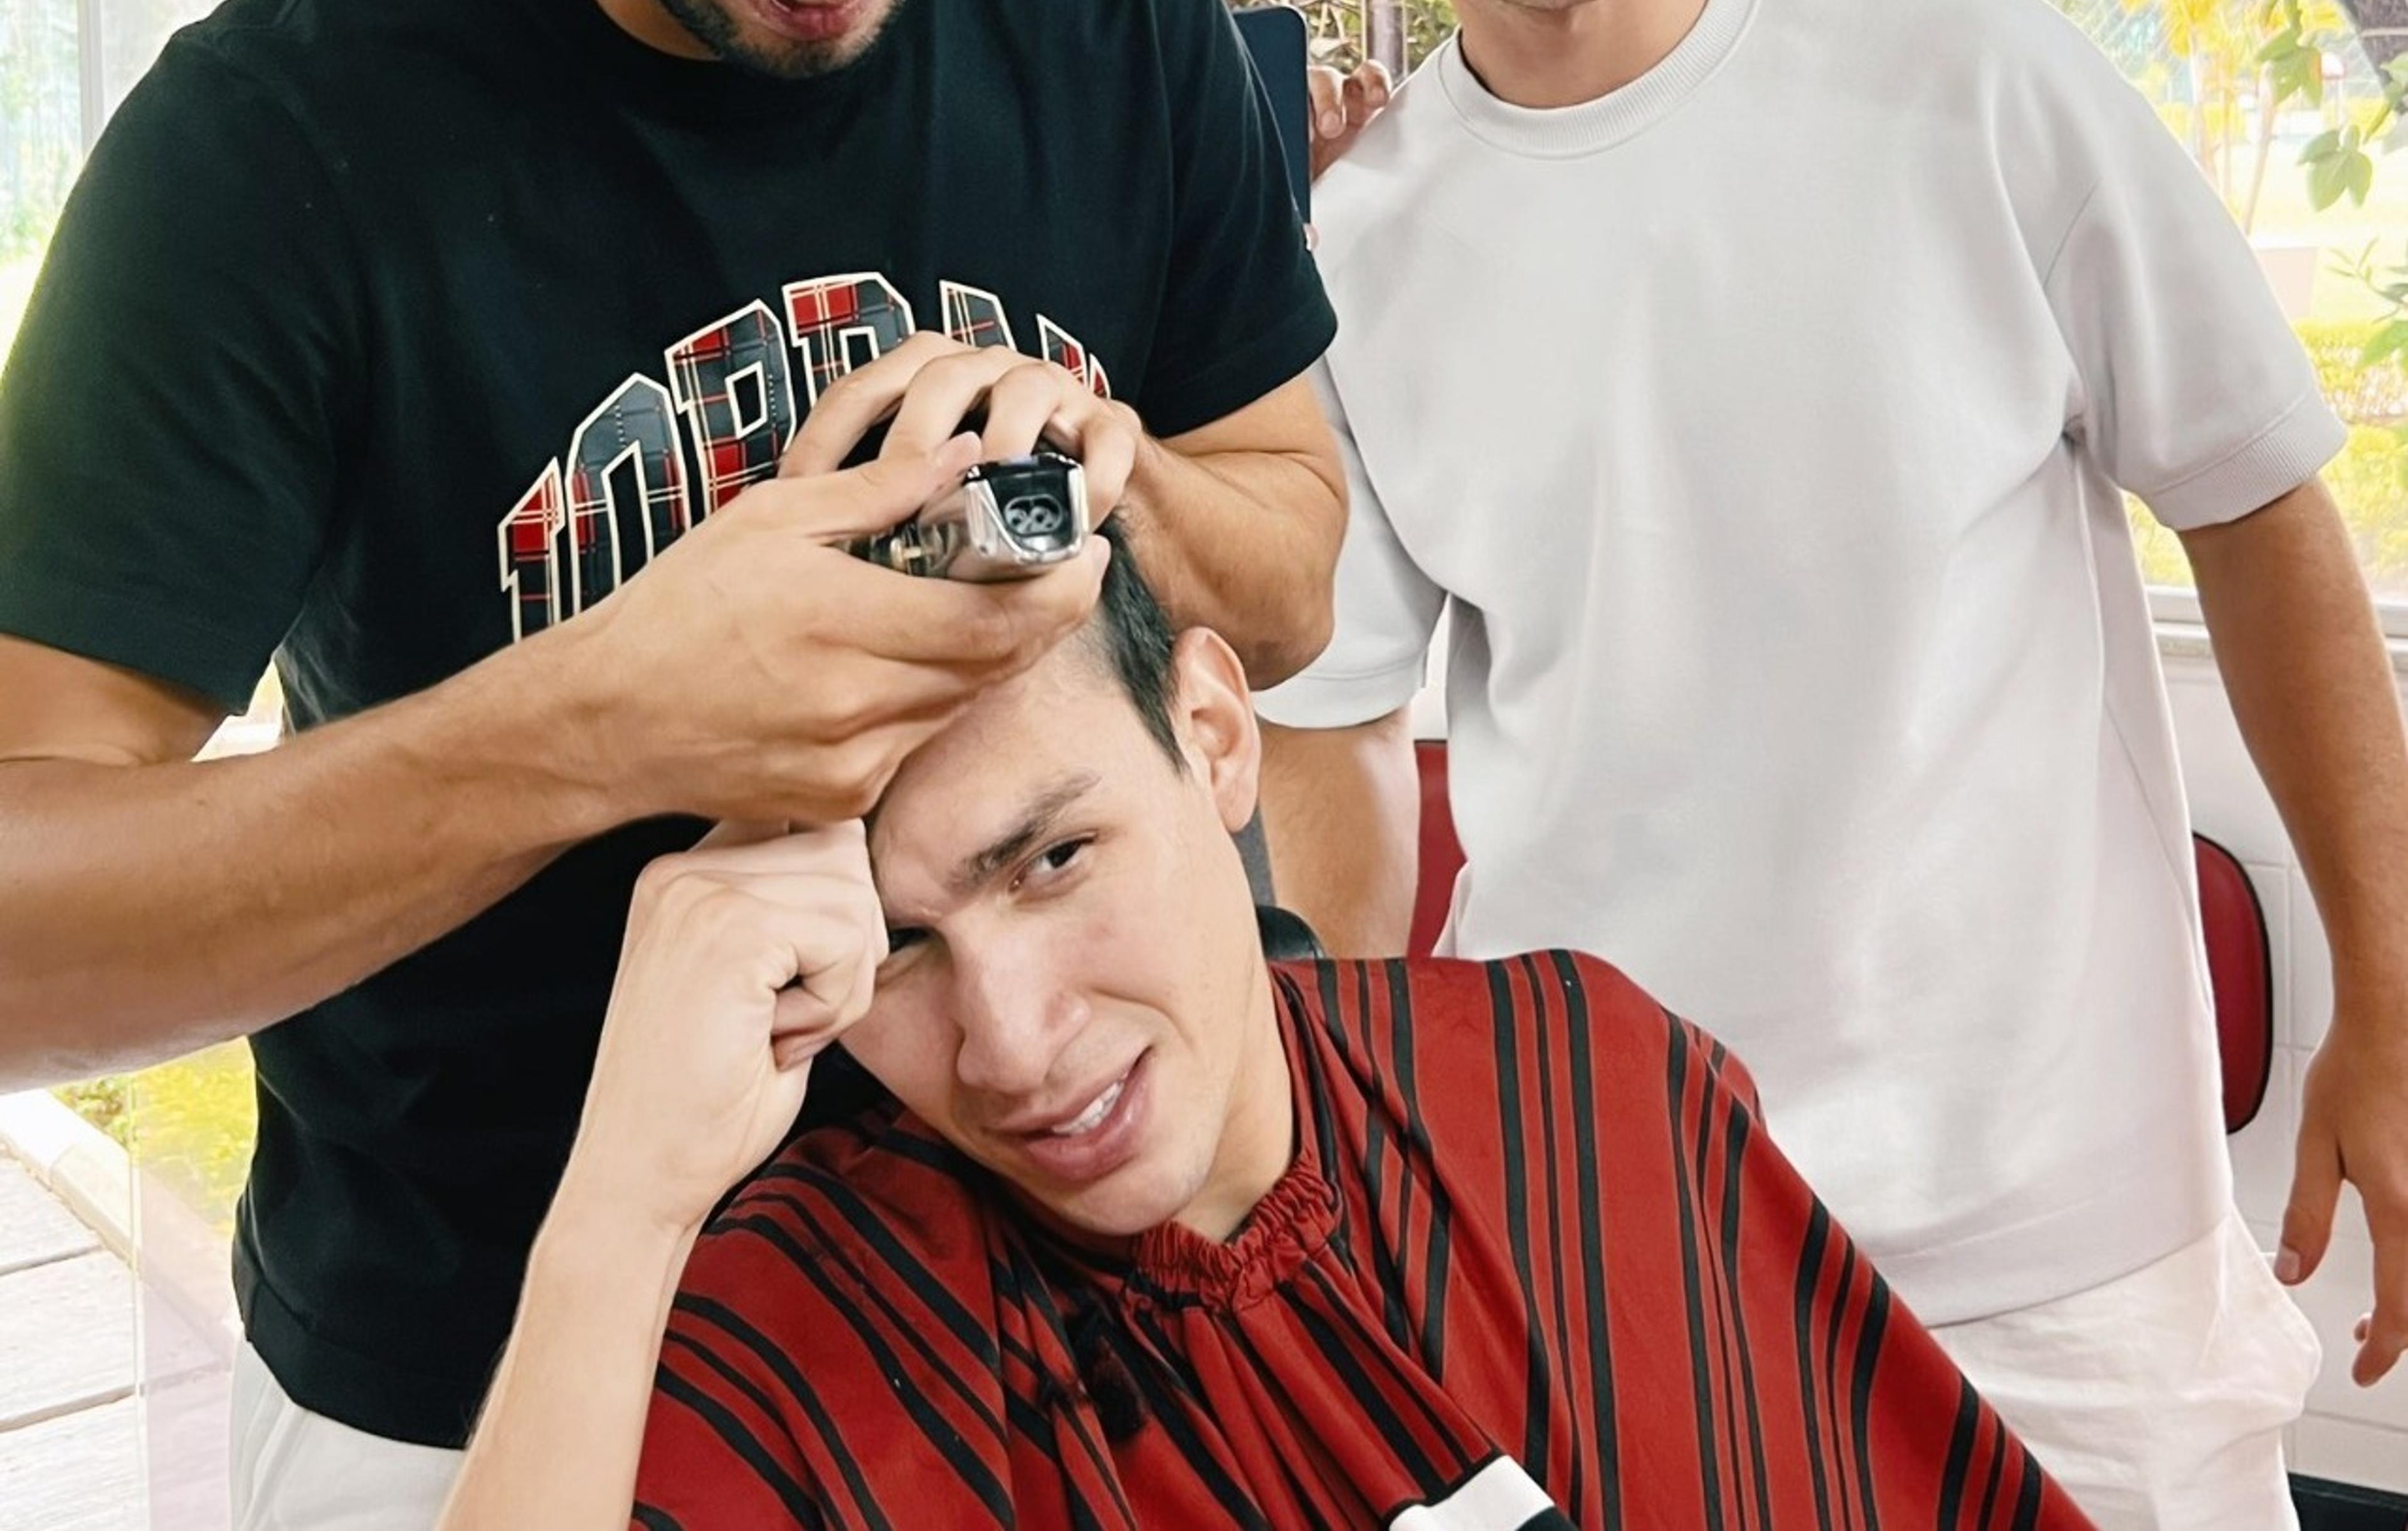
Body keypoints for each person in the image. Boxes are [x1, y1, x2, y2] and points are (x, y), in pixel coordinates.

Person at [0, 0, 1341, 1515]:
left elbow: (1288, 581)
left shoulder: (1119, 18)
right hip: (484, 1369)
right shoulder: (270, 148)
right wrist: (607, 720)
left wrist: (1121, 474)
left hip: (1100, 1301)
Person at [1242, 0, 2408, 1528]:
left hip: (2074, 1248)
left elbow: (2261, 512)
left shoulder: (1980, 84)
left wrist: (2391, 1005)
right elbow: (1331, 736)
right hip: (1623, 1235)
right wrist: (1335, 1131)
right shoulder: (1345, 259)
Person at [432, 535, 2091, 1530]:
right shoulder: (815, 1332)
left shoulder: (1584, 1085)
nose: (1010, 1045)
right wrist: (618, 1211)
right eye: (897, 946)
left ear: (1216, 739)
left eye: (1055, 857)